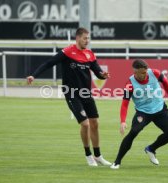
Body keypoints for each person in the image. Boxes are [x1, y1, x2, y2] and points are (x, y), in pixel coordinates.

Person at [26, 27, 111, 167]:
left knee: (95, 124)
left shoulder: (90, 54)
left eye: (88, 38)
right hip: (71, 93)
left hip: (86, 93)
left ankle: (98, 156)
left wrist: (103, 75)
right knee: (85, 124)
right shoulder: (66, 52)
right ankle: (88, 155)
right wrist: (34, 75)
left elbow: (97, 72)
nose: (87, 41)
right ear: (78, 38)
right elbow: (49, 63)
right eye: (85, 38)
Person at [110, 59, 168, 169]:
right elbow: (124, 104)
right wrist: (123, 121)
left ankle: (151, 149)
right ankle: (117, 162)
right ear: (135, 72)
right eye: (142, 72)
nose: (145, 74)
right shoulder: (130, 84)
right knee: (133, 132)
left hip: (160, 109)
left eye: (146, 72)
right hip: (143, 113)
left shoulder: (154, 73)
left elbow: (166, 83)